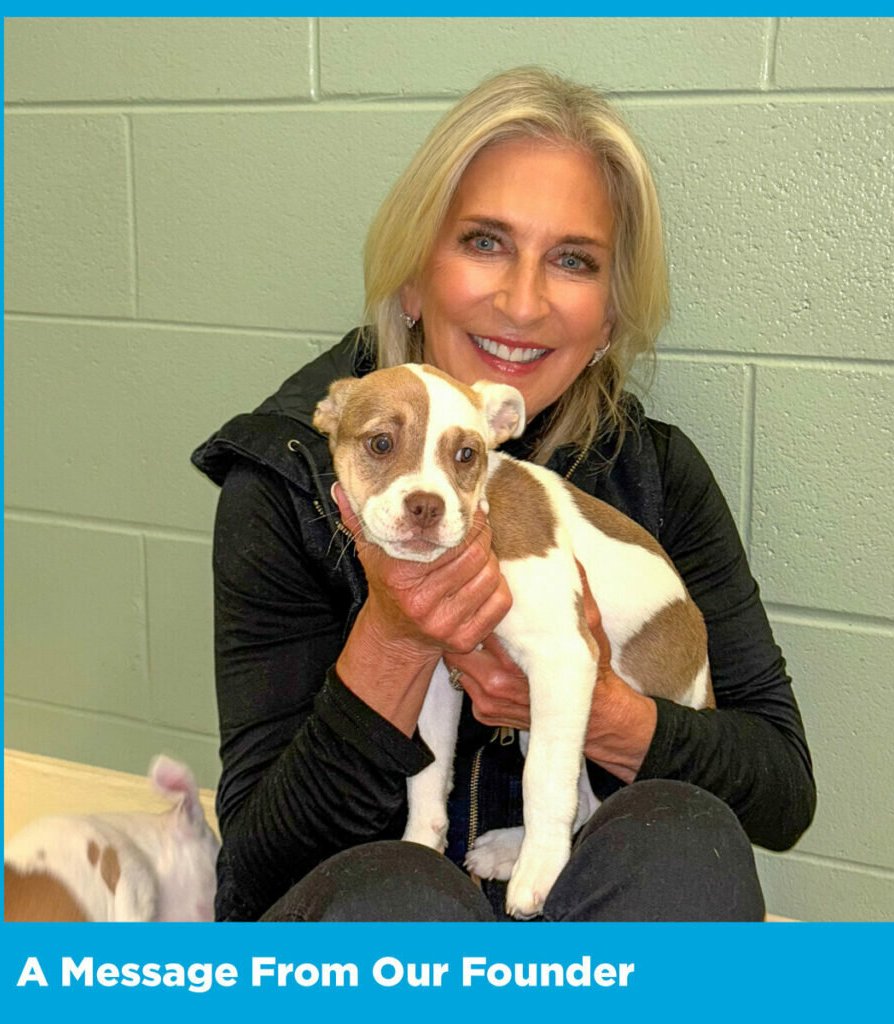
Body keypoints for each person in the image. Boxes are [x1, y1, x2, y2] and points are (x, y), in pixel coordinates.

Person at [191, 67, 816, 922]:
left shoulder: (657, 474)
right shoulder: (289, 471)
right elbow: (256, 875)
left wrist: (605, 713)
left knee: (685, 846)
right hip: (381, 912)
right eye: (484, 242)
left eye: (573, 260)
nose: (523, 303)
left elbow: (780, 792)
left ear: (607, 318)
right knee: (394, 895)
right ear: (413, 277)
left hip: (587, 880)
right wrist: (398, 638)